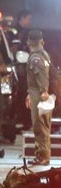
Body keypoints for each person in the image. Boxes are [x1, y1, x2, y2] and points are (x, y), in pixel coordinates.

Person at [26, 29, 52, 166]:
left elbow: (40, 76)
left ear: (29, 42)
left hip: (39, 94)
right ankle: (43, 155)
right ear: (42, 41)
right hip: (38, 92)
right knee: (43, 125)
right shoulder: (44, 55)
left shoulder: (35, 57)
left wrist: (43, 92)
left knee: (39, 125)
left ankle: (42, 156)